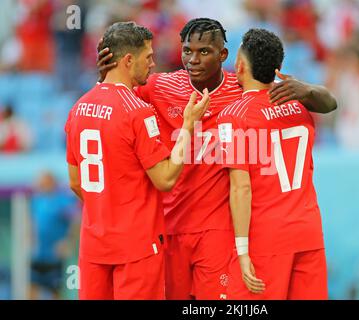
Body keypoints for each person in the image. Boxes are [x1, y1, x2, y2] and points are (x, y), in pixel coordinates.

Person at [97, 17, 336, 300]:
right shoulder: (161, 87)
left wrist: (307, 89)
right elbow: (115, 98)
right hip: (171, 225)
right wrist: (105, 76)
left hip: (218, 232)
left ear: (225, 56)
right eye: (187, 51)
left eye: (204, 52)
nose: (193, 60)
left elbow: (328, 103)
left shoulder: (244, 88)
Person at [65, 21, 210, 300]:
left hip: (94, 246)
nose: (153, 64)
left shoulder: (78, 108)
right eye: (148, 57)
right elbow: (165, 179)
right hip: (137, 246)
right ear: (128, 61)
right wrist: (189, 125)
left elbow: (75, 182)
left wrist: (108, 207)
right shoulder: (138, 112)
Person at [217, 28, 328, 299]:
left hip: (266, 238)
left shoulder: (233, 116)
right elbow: (329, 102)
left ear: (240, 66)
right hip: (308, 232)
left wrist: (241, 251)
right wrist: (308, 89)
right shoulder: (299, 105)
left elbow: (241, 188)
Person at [29, 171, 78, 300]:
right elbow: (34, 222)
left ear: (51, 182)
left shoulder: (62, 201)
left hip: (55, 256)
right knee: (32, 288)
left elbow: (76, 220)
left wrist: (68, 241)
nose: (40, 183)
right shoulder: (37, 200)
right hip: (38, 254)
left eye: (44, 180)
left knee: (55, 290)